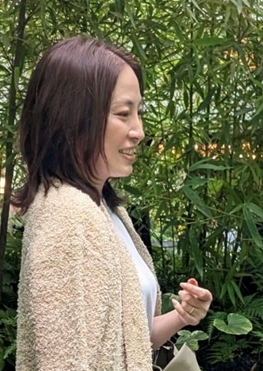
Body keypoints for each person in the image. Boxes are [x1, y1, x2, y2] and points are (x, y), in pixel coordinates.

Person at [14, 35, 213, 371]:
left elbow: (129, 344)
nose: (139, 131)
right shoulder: (69, 218)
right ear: (73, 119)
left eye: (139, 112)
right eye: (124, 113)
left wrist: (181, 316)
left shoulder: (104, 210)